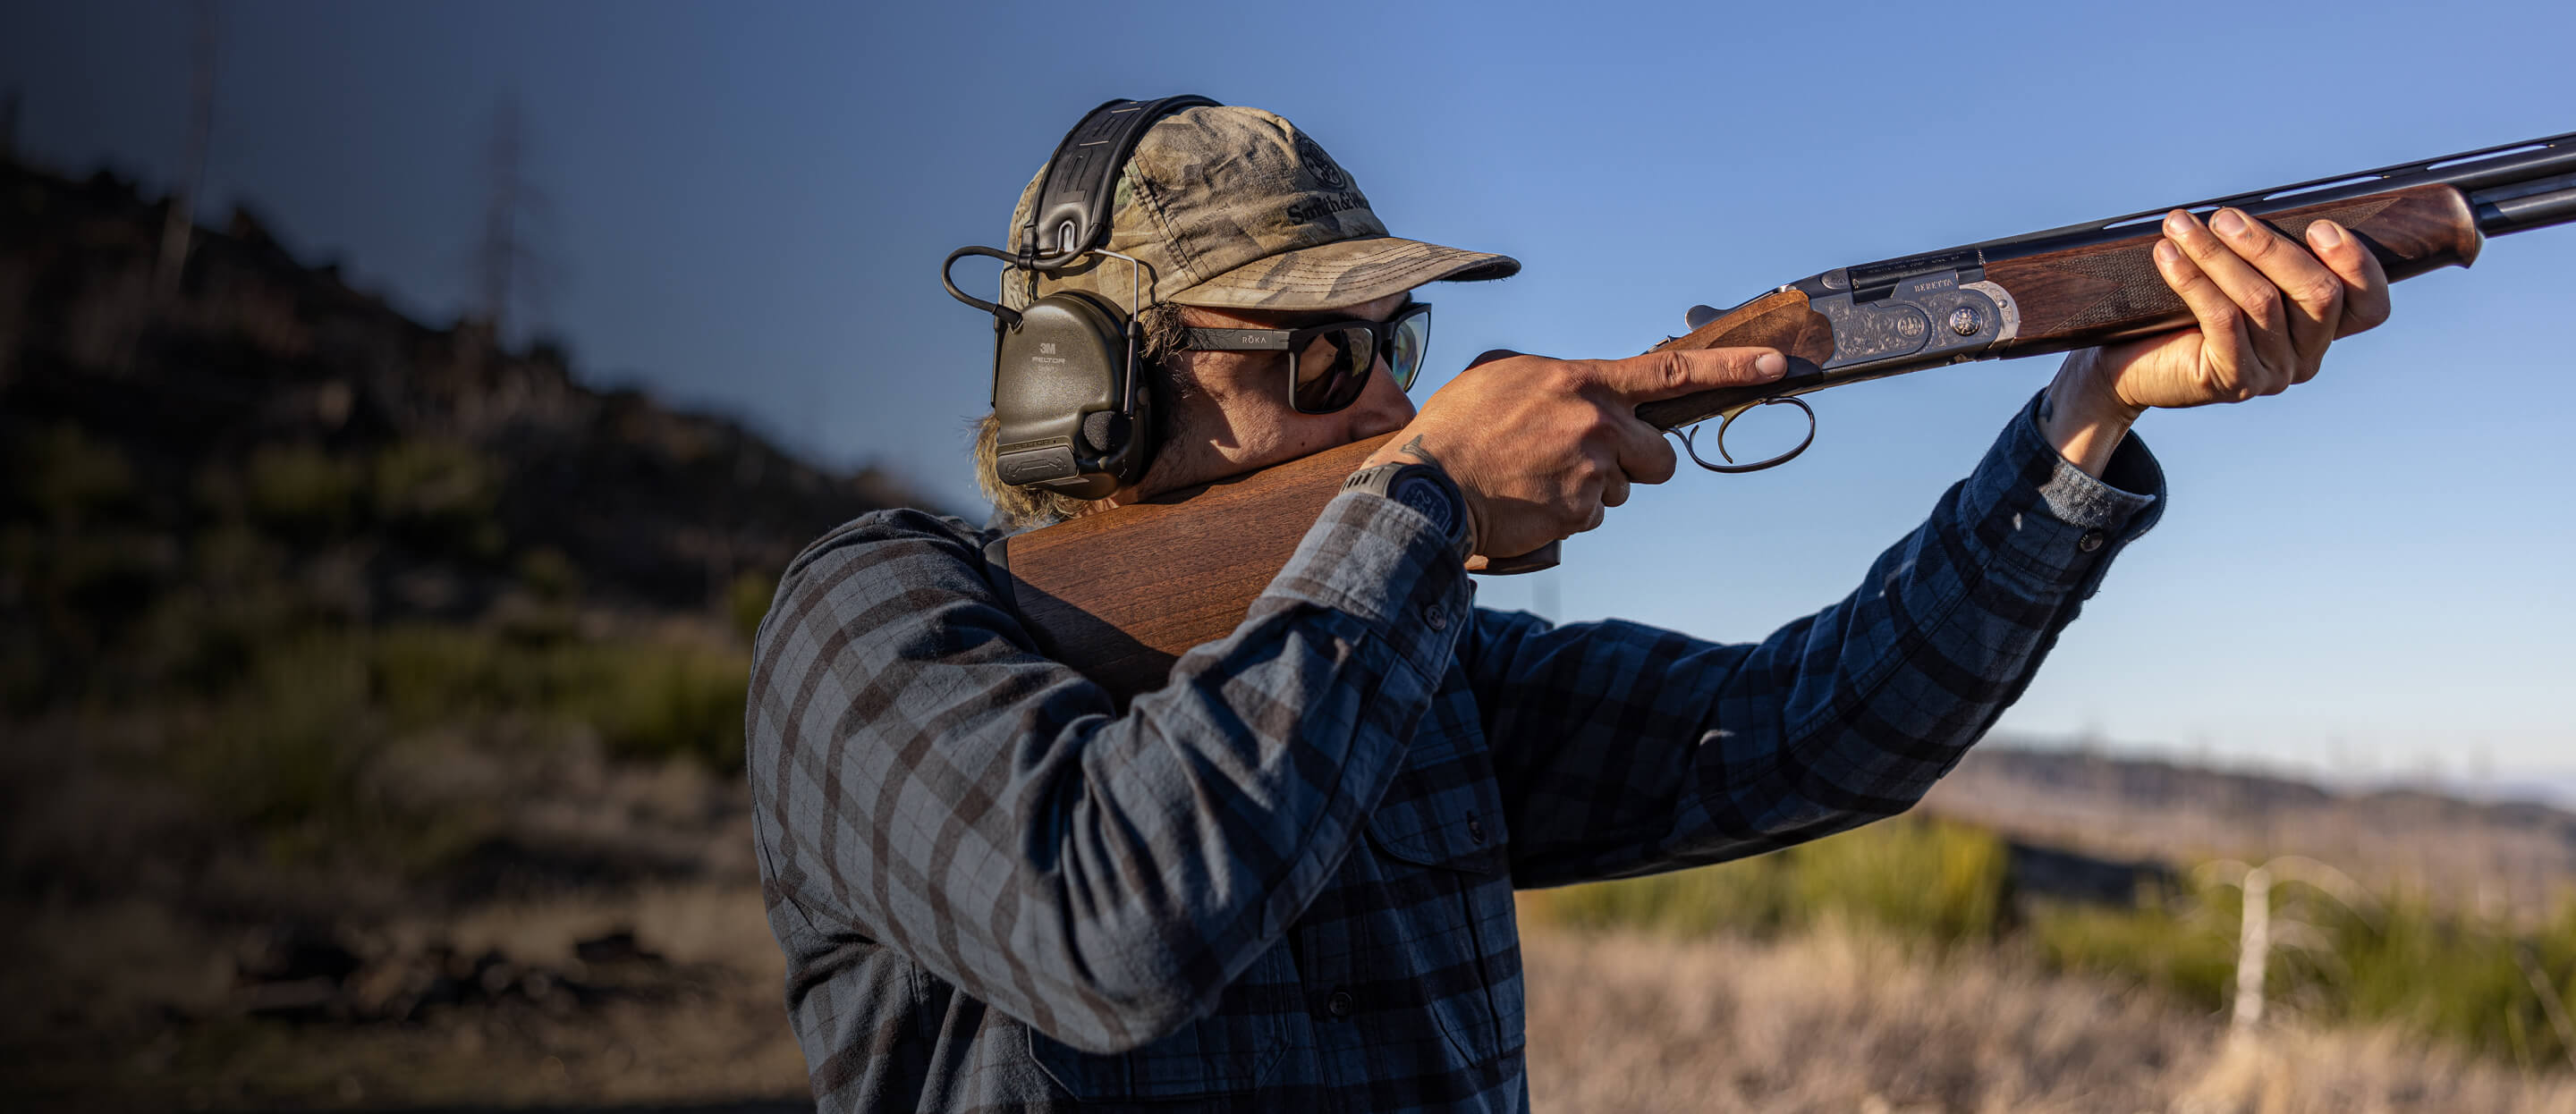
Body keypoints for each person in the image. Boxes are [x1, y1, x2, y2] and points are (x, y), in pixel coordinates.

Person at [745, 103, 2390, 1113]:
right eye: (1322, 353)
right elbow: (1111, 922)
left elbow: (1807, 737)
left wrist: (2087, 418)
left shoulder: (1411, 652)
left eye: (1399, 350)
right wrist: (1425, 505)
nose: (1385, 398)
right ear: (1082, 388)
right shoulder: (874, 623)